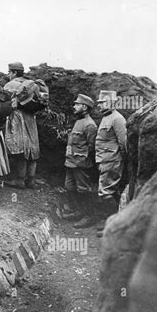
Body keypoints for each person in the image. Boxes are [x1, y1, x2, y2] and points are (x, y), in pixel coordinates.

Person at [3, 62, 42, 189]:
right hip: (31, 118)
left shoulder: (10, 84)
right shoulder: (32, 84)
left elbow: (5, 103)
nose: (8, 74)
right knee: (32, 148)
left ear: (14, 72)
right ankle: (31, 180)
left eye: (9, 72)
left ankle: (19, 180)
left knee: (20, 148)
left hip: (17, 118)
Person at [62, 94, 98, 229]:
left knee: (83, 190)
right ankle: (79, 211)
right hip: (71, 162)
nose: (74, 107)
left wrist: (84, 160)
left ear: (84, 107)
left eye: (77, 104)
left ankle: (89, 216)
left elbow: (92, 147)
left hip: (81, 164)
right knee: (69, 187)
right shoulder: (78, 121)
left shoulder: (90, 125)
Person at [95, 90, 127, 219]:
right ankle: (110, 220)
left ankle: (112, 222)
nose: (99, 105)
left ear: (110, 102)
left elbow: (123, 142)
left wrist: (121, 159)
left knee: (105, 191)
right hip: (104, 160)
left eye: (102, 102)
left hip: (112, 160)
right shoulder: (106, 117)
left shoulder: (117, 118)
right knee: (108, 191)